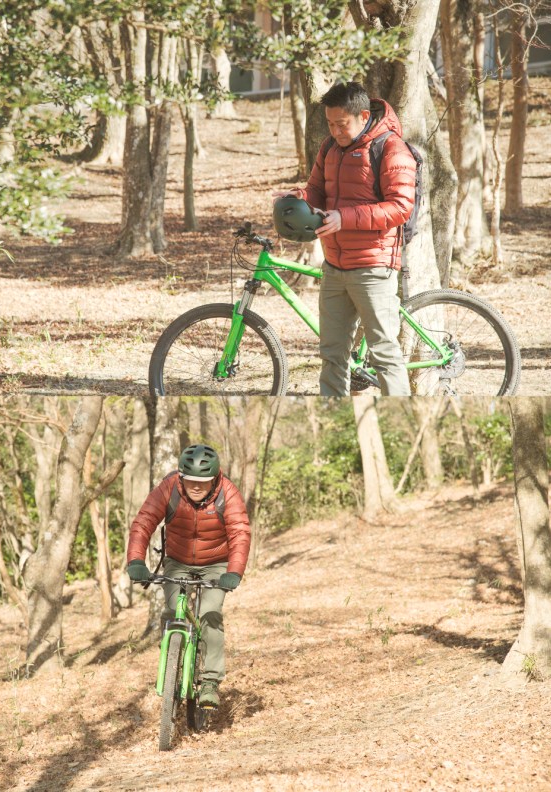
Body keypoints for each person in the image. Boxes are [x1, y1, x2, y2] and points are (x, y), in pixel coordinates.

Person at [274, 81, 416, 397]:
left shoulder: (391, 148)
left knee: (383, 353)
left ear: (363, 115)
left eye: (342, 124)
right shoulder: (330, 148)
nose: (335, 130)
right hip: (334, 266)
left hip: (373, 267)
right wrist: (295, 196)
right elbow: (316, 190)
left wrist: (343, 218)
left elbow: (400, 207)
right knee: (332, 355)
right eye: (330, 123)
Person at [126, 444, 251, 708]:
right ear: (182, 477)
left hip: (216, 564)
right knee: (172, 612)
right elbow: (144, 522)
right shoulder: (169, 488)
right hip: (177, 561)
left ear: (215, 478)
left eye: (203, 482)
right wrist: (136, 560)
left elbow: (240, 532)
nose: (195, 486)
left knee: (210, 613)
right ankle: (173, 663)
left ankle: (210, 682)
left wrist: (234, 571)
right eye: (190, 480)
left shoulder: (228, 493)